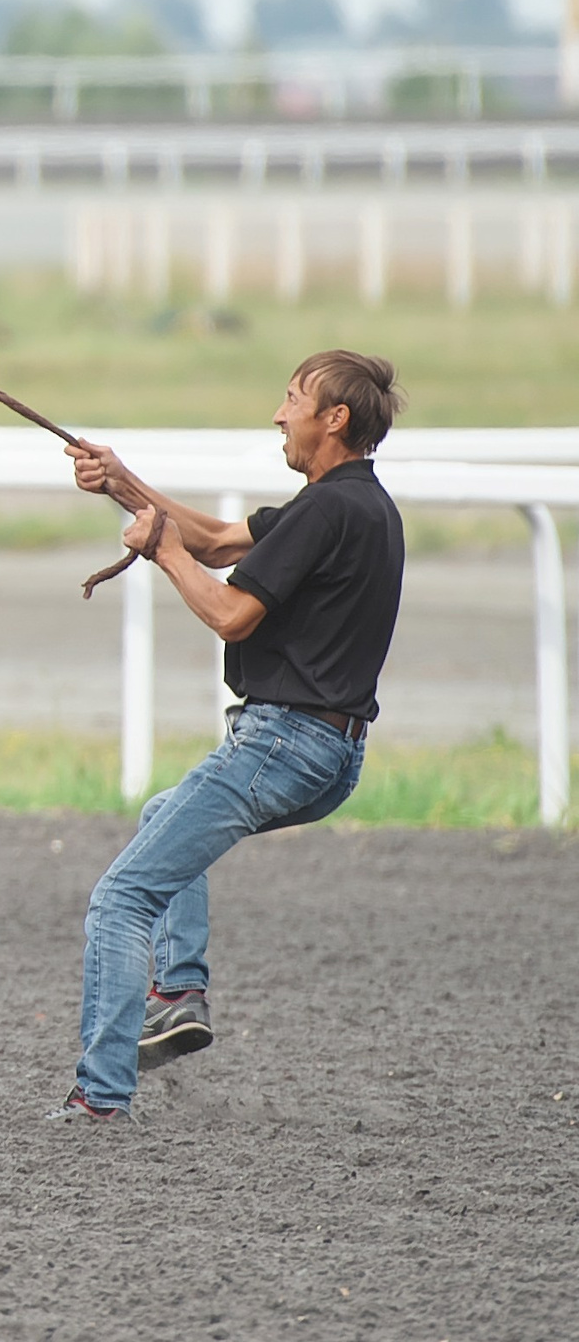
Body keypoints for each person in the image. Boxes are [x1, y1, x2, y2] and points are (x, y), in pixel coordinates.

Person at [50, 349, 407, 1122]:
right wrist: (120, 482)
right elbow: (214, 538)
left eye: (292, 399)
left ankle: (100, 1097)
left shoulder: (325, 511)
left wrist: (162, 551)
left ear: (334, 418)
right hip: (334, 756)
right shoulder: (360, 505)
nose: (279, 413)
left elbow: (229, 611)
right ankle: (179, 991)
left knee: (120, 898)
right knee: (162, 815)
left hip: (282, 743)